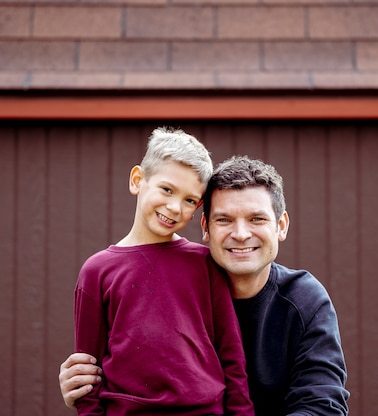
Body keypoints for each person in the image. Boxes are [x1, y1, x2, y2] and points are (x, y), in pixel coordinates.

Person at [61, 155, 350, 416]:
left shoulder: (304, 299)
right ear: (205, 229)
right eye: (224, 220)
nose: (240, 234)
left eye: (257, 219)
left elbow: (323, 404)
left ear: (281, 225)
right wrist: (84, 384)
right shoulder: (170, 288)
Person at [72, 128, 253, 416]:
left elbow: (231, 356)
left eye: (190, 200)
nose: (174, 207)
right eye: (167, 190)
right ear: (137, 180)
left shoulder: (205, 263)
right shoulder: (97, 271)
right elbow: (86, 373)